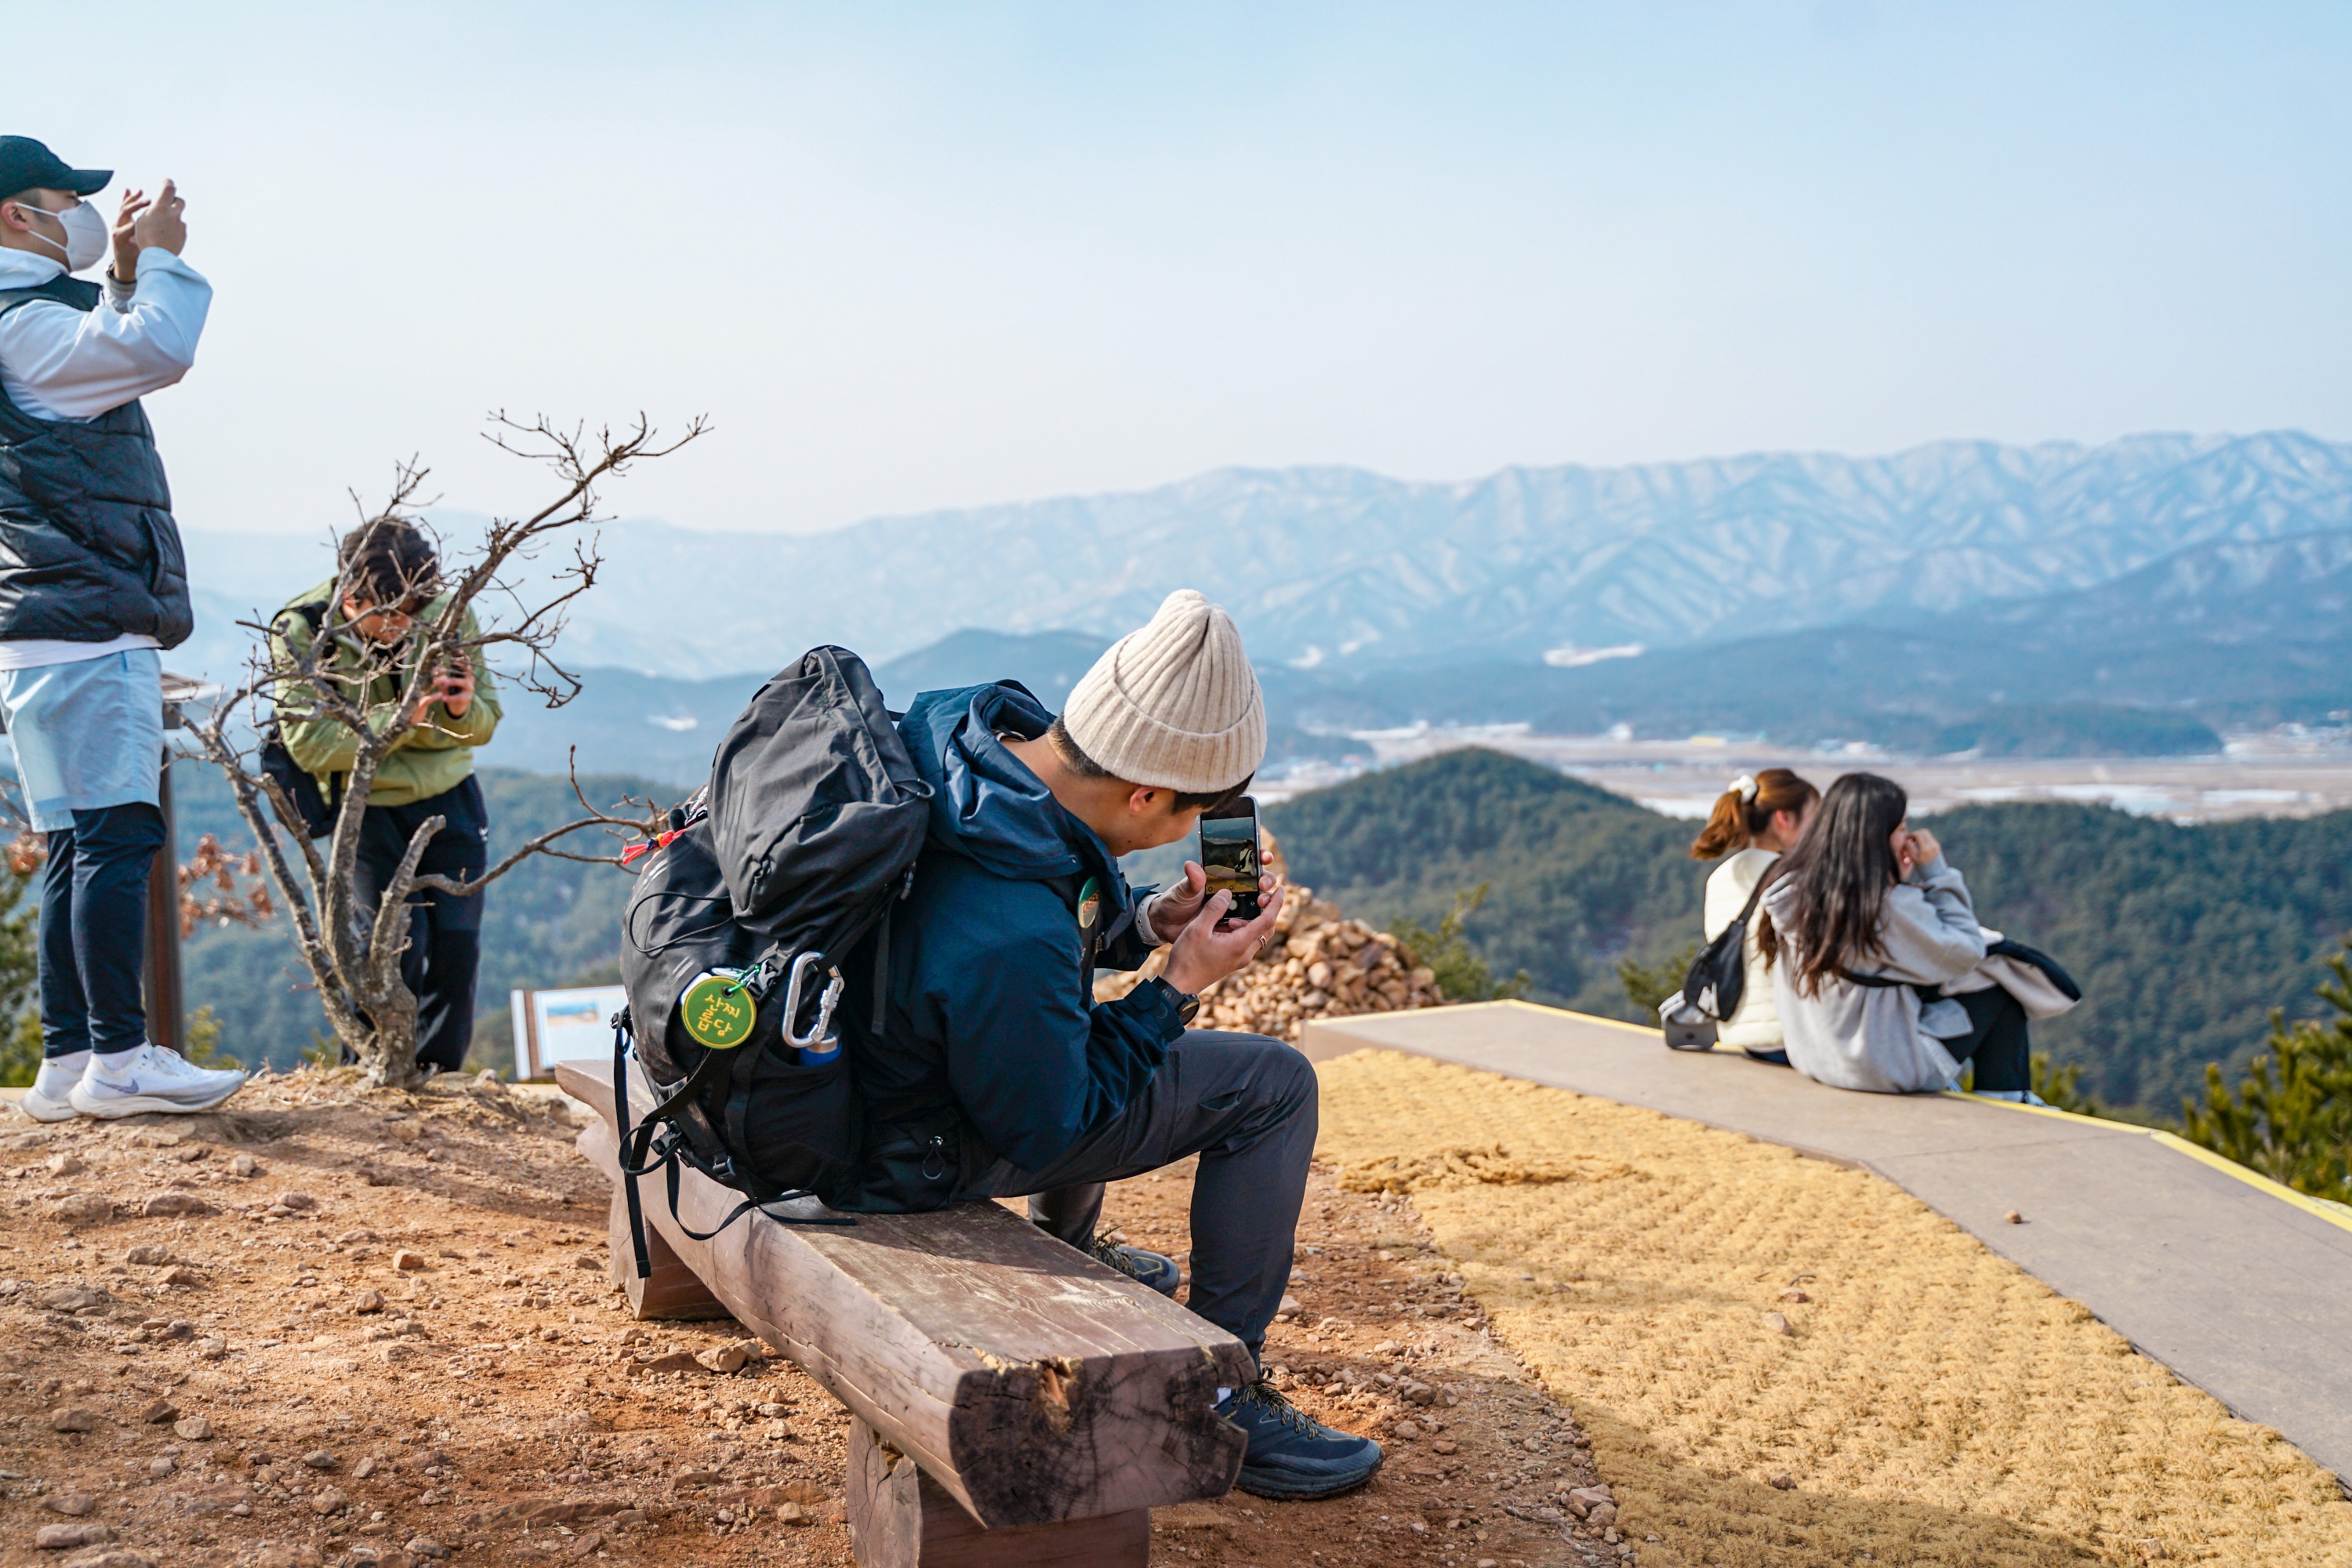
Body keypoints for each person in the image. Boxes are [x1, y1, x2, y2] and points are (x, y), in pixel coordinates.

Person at [845, 589, 1383, 1500]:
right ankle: (1216, 1387)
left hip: (869, 1078)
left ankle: (1076, 1246)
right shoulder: (1013, 918)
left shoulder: (972, 759)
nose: (1190, 833)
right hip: (901, 1150)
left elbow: (1007, 971)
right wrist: (1177, 985)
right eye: (1192, 814)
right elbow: (1057, 1116)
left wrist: (1141, 922)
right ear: (1143, 790)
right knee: (1273, 1083)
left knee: (1074, 1025)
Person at [0, 137, 245, 1121]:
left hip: (41, 632)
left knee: (72, 840)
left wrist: (129, 272)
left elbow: (99, 347)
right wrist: (172, 258)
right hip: (92, 621)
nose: (87, 215)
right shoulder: (23, 326)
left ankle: (68, 1061)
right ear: (19, 216)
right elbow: (154, 351)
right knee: (116, 835)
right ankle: (123, 1058)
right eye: (67, 198)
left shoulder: (24, 321)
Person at [270, 520, 500, 1076]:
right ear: (349, 597)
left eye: (411, 613)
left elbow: (485, 723)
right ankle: (369, 1071)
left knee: (456, 949)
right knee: (387, 954)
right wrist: (405, 721)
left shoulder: (445, 613)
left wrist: (458, 711)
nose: (400, 626)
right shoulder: (300, 629)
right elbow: (310, 745)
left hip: (451, 795)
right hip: (365, 808)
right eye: (387, 614)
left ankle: (441, 1078)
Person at [1757, 772, 2038, 1098]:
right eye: (1901, 828)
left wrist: (1896, 882)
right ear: (1876, 836)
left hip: (1816, 1058)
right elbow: (1966, 952)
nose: (1907, 837)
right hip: (1882, 1069)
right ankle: (2009, 1097)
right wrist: (1936, 873)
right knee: (2000, 992)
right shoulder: (1882, 907)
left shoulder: (1795, 890)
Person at [1689, 768, 1819, 1064]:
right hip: (1791, 1036)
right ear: (1785, 819)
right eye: (1815, 818)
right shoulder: (1796, 878)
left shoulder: (1720, 876)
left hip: (1737, 1033)